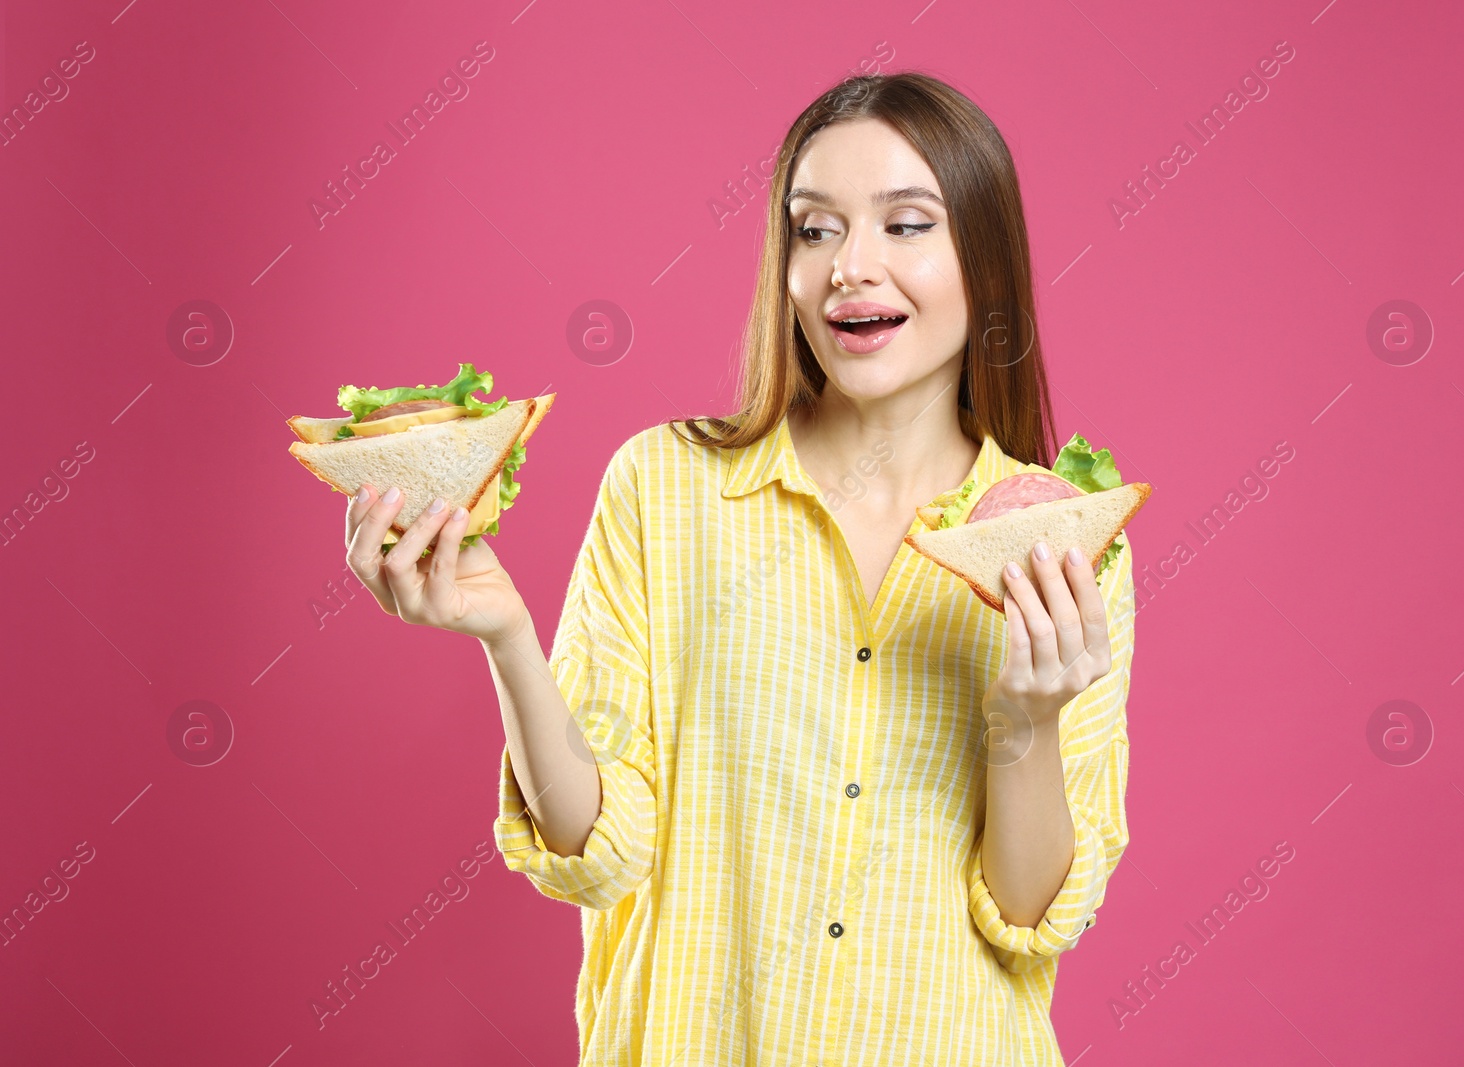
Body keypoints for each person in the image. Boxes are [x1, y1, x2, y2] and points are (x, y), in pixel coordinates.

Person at [340, 71, 1136, 1067]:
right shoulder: (663, 485)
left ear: (985, 255)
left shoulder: (1061, 541)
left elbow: (1029, 914)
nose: (849, 266)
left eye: (904, 225)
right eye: (814, 228)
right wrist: (505, 634)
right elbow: (599, 849)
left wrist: (1026, 721)